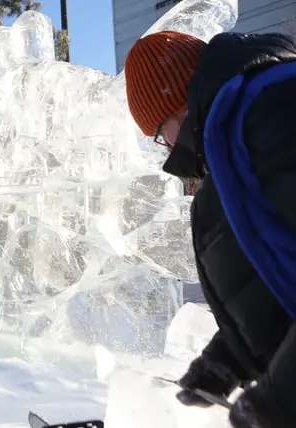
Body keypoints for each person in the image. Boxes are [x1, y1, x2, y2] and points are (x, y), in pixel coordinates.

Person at [124, 31, 296, 427]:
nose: (165, 147)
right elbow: (273, 271)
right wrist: (227, 359)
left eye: (157, 134)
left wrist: (280, 398)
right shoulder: (235, 137)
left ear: (176, 109)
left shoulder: (275, 112)